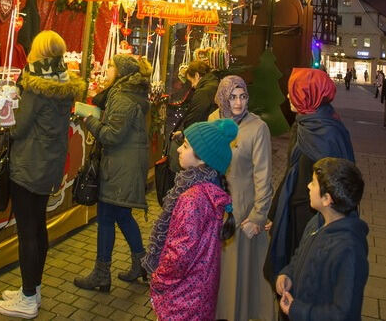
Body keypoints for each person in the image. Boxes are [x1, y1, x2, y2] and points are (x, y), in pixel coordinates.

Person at [0, 31, 86, 319]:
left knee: (28, 232)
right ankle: (32, 286)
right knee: (38, 227)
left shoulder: (36, 85)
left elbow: (18, 128)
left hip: (29, 163)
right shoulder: (62, 81)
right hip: (50, 163)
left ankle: (28, 297)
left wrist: (5, 112)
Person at [265, 68, 355, 284]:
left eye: (293, 91)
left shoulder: (324, 131)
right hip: (297, 210)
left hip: (311, 219)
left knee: (302, 276)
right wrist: (276, 211)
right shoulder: (308, 123)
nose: (287, 96)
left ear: (309, 94)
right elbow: (292, 173)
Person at [144, 119, 237, 321]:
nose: (179, 150)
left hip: (184, 295)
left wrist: (159, 278)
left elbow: (180, 253)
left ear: (202, 159)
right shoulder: (211, 191)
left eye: (185, 146)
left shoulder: (192, 198)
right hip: (200, 288)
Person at [73, 55, 151, 292]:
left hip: (119, 166)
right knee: (121, 215)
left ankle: (101, 274)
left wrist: (89, 120)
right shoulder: (131, 93)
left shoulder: (121, 95)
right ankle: (141, 263)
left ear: (120, 72)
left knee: (108, 217)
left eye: (111, 67)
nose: (107, 70)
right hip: (126, 164)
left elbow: (111, 135)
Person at [208, 76, 274, 321]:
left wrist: (258, 215)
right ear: (223, 97)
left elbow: (263, 175)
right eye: (233, 97)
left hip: (242, 209)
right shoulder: (213, 120)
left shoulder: (257, 128)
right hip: (214, 206)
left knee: (238, 272)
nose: (238, 103)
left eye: (243, 96)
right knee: (216, 269)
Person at [274, 158, 369, 321]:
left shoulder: (349, 250)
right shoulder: (317, 221)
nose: (308, 186)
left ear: (327, 199)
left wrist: (297, 310)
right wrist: (287, 274)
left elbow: (344, 314)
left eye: (313, 183)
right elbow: (301, 254)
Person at [167, 60, 219, 172]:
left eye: (191, 81)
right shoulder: (214, 85)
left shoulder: (204, 91)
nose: (192, 85)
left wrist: (184, 133)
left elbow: (196, 117)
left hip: (200, 138)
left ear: (196, 75)